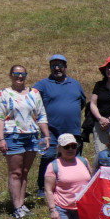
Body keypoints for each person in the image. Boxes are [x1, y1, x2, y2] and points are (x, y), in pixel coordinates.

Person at [0, 64, 50, 219]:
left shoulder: (34, 93)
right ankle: (17, 206)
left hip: (32, 136)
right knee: (15, 172)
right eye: (16, 74)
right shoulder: (3, 94)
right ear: (10, 75)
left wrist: (46, 135)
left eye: (23, 74)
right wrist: (1, 139)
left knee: (25, 172)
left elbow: (41, 115)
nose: (20, 77)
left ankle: (21, 203)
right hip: (13, 136)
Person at [34, 54, 86, 196]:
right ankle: (43, 188)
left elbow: (82, 102)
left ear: (65, 67)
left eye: (60, 65)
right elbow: (31, 99)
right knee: (48, 157)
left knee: (72, 158)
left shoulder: (75, 84)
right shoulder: (43, 84)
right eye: (53, 65)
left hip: (72, 130)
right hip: (51, 130)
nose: (57, 68)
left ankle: (71, 186)